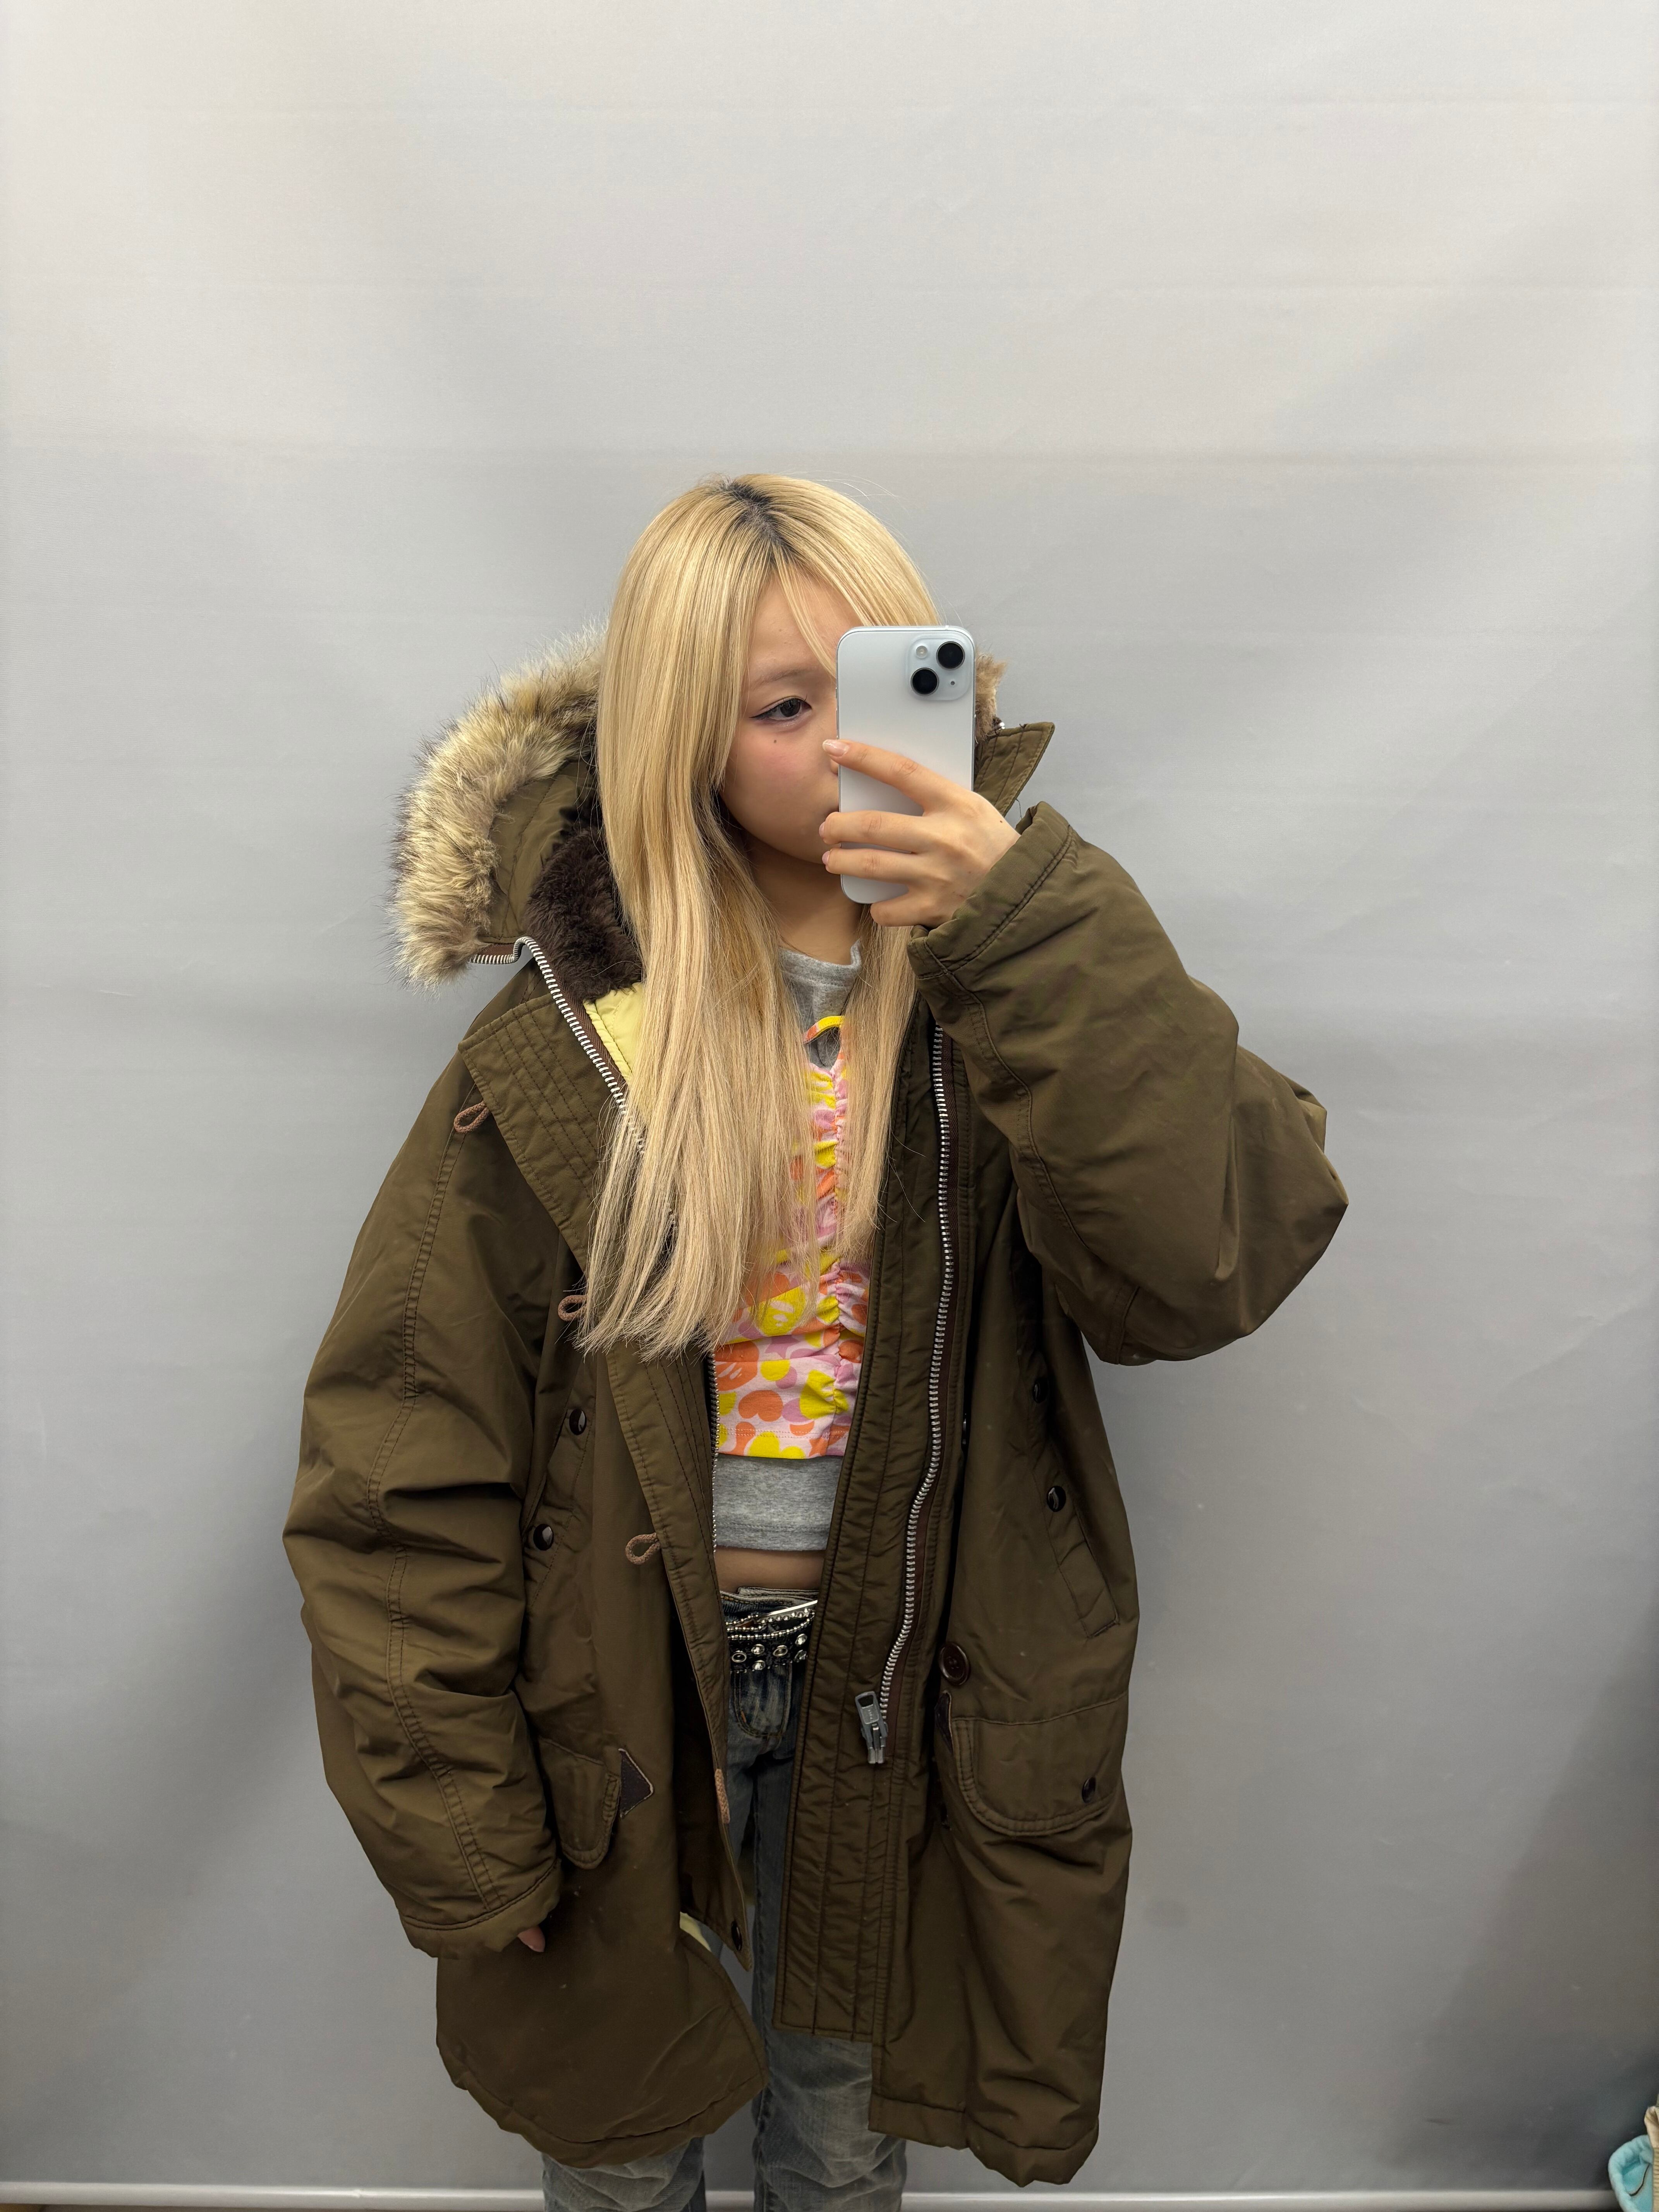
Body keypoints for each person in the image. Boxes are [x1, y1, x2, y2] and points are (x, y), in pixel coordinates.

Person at [283, 474, 1347, 2210]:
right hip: (626, 1700)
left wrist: (1018, 927)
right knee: (620, 2154)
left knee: (845, 2152)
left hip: (894, 1695)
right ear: (683, 746)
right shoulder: (577, 1033)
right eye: (786, 708)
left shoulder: (1012, 991)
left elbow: (1206, 1261)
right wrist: (462, 1827)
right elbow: (399, 1467)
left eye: (883, 679)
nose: (849, 742)